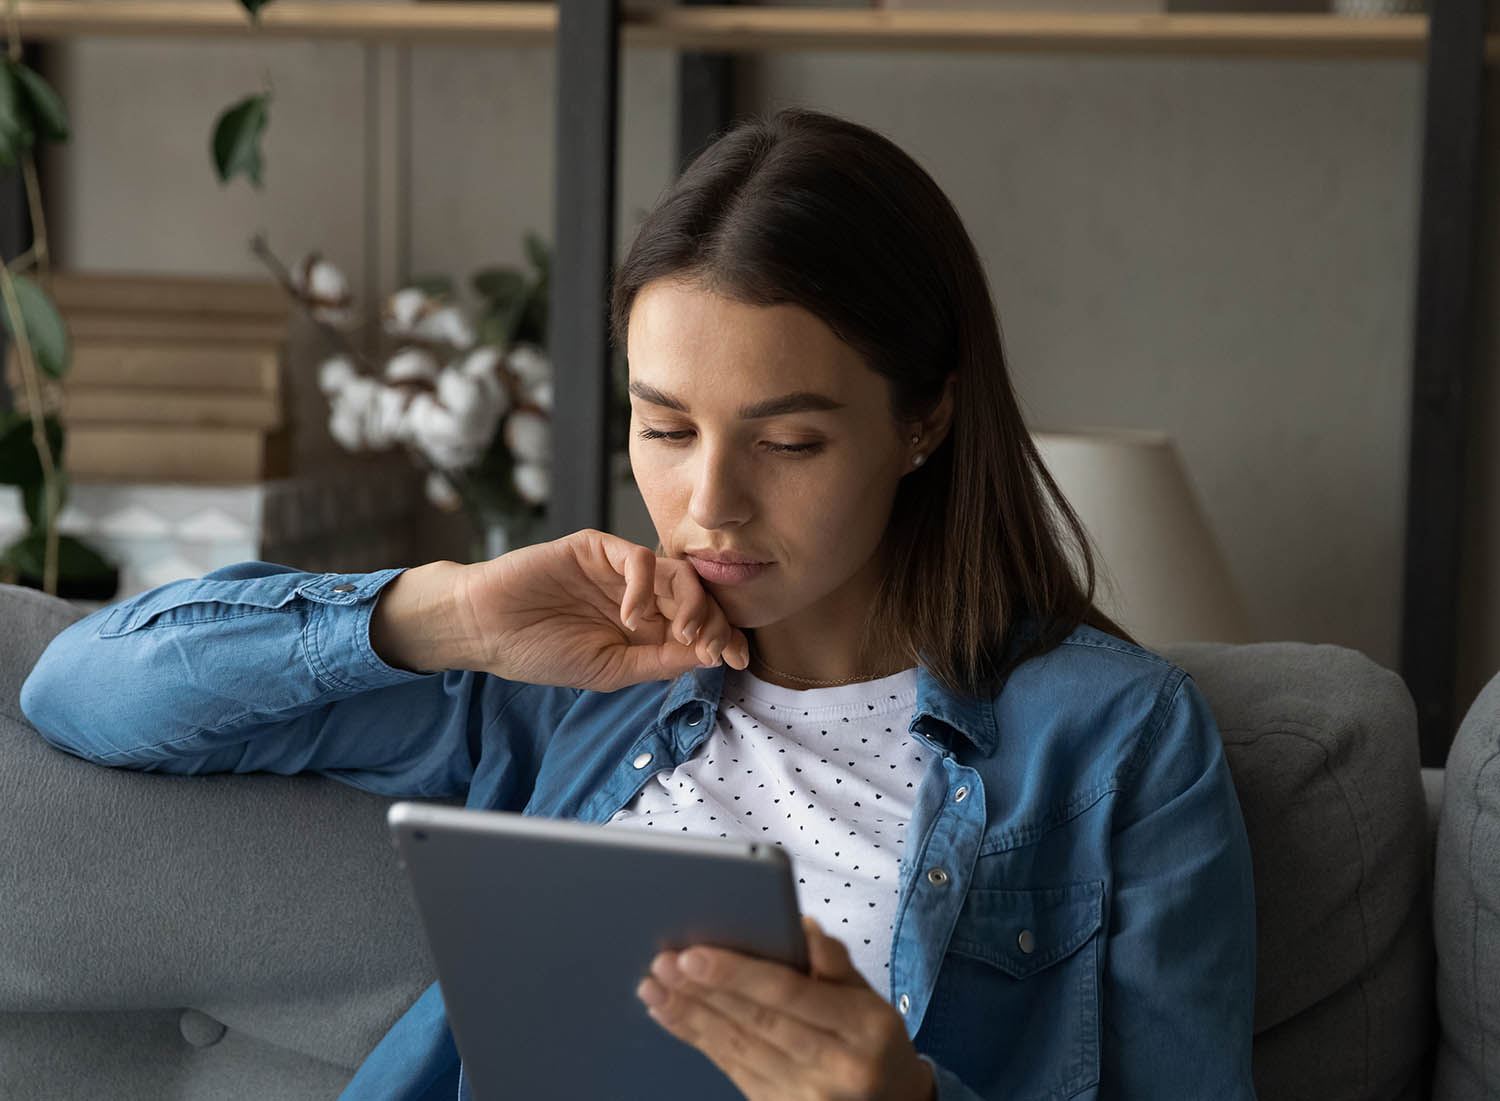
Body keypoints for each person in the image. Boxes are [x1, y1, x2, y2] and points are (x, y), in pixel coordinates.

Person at [20, 106, 1256, 1100]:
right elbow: (82, 696)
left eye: (791, 444)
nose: (708, 505)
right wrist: (443, 611)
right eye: (663, 427)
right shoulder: (579, 686)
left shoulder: (1118, 746)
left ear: (923, 418)